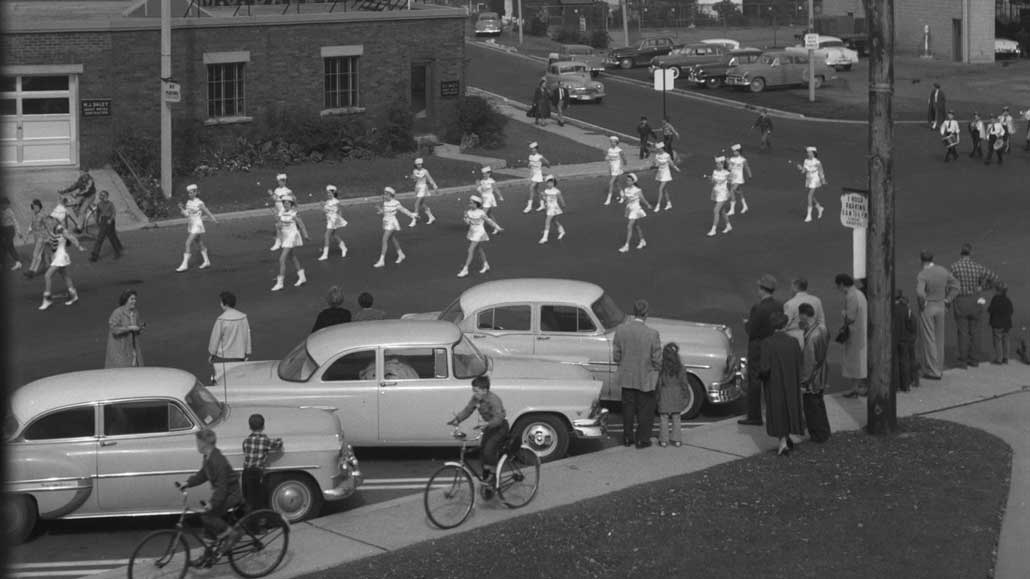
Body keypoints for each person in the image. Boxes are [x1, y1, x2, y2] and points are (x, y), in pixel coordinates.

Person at [181, 429, 243, 550]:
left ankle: (232, 534)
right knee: (208, 528)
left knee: (207, 516)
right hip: (223, 493)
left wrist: (212, 504)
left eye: (197, 442)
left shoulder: (218, 461)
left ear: (204, 443)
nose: (196, 445)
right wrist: (187, 483)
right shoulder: (208, 457)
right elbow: (203, 474)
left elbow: (222, 487)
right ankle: (209, 555)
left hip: (231, 494)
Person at [613, 299, 662, 448]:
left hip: (627, 377)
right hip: (645, 378)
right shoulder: (652, 334)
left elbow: (616, 356)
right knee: (645, 411)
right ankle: (642, 440)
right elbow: (657, 359)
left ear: (634, 312)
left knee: (627, 409)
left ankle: (628, 438)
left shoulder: (621, 330)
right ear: (646, 313)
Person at [447, 375, 507, 483]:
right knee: (482, 451)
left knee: (489, 449)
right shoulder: (476, 399)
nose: (474, 394)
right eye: (473, 391)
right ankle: (486, 478)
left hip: (500, 427)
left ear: (485, 390)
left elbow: (499, 418)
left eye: (476, 391)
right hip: (488, 427)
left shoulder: (494, 400)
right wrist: (457, 419)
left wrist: (488, 423)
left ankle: (494, 475)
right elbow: (468, 410)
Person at [739, 274, 782, 426]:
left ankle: (755, 416)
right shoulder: (778, 305)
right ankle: (774, 413)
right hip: (772, 345)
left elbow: (752, 330)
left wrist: (746, 323)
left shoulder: (758, 308)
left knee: (755, 381)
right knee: (770, 381)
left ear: (763, 289)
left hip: (758, 348)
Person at [949, 243, 1001, 368]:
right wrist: (982, 287)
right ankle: (974, 359)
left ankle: (963, 360)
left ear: (961, 253)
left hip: (961, 300)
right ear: (970, 253)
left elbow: (949, 284)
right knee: (975, 331)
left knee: (962, 332)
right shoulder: (978, 267)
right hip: (975, 300)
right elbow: (995, 278)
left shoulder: (954, 267)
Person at [759, 311, 803, 455]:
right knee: (790, 408)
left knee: (777, 410)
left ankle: (783, 442)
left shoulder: (767, 343)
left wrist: (758, 376)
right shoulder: (793, 342)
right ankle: (787, 436)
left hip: (774, 383)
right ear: (785, 324)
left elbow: (765, 368)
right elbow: (799, 362)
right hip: (791, 382)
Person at [916, 250, 960, 380]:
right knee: (939, 338)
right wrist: (948, 299)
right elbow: (956, 286)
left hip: (929, 306)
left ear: (921, 260)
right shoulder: (942, 270)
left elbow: (920, 293)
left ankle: (932, 370)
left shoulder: (923, 274)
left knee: (929, 339)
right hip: (941, 305)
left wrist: (922, 303)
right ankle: (939, 368)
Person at [798, 304, 831, 443]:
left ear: (804, 315)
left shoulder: (812, 337)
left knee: (811, 407)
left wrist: (804, 381)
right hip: (822, 372)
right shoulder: (822, 328)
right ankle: (824, 431)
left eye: (800, 315)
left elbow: (809, 362)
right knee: (819, 404)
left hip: (813, 378)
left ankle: (817, 434)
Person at [39, 213, 85, 311]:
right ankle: (73, 295)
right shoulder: (50, 230)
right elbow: (51, 246)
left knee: (47, 276)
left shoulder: (59, 228)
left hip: (61, 257)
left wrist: (78, 246)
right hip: (57, 257)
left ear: (54, 220)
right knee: (65, 276)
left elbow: (70, 237)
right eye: (47, 221)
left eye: (50, 220)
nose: (48, 222)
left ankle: (47, 300)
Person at [241, 413, 283, 511]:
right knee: (258, 498)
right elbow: (278, 444)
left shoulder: (246, 441)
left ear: (249, 427)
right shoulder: (265, 441)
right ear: (263, 426)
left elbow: (244, 450)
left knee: (248, 498)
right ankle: (258, 519)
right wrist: (279, 439)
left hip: (246, 472)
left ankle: (248, 518)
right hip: (257, 472)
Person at [837, 273, 869, 398]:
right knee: (858, 360)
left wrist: (843, 314)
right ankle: (857, 386)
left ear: (841, 284)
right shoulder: (859, 293)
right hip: (860, 330)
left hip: (855, 333)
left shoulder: (851, 296)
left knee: (854, 360)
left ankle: (856, 387)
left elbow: (850, 317)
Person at [374, 186, 418, 268]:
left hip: (392, 223)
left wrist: (412, 216)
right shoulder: (385, 202)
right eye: (384, 194)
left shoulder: (396, 203)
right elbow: (384, 212)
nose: (384, 196)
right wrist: (379, 209)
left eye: (386, 194)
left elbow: (404, 210)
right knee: (392, 238)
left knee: (384, 240)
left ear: (390, 195)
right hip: (386, 222)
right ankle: (401, 254)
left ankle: (381, 260)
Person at [176, 184, 217, 272]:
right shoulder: (188, 202)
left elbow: (207, 212)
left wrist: (214, 219)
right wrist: (181, 208)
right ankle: (207, 261)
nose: (189, 194)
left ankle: (184, 264)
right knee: (199, 242)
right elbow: (187, 214)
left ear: (195, 193)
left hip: (197, 225)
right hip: (191, 225)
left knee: (187, 243)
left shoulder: (199, 203)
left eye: (191, 193)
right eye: (188, 193)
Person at [458, 195, 502, 278]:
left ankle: (465, 269)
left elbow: (489, 221)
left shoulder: (481, 213)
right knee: (479, 249)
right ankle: (486, 264)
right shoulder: (468, 212)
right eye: (470, 203)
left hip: (479, 232)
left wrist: (497, 227)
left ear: (476, 204)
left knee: (470, 250)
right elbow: (468, 223)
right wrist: (465, 217)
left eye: (471, 203)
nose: (469, 204)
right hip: (472, 232)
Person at [271, 198, 309, 291]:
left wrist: (305, 235)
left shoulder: (294, 213)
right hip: (285, 236)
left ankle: (280, 283)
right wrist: (275, 216)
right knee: (292, 256)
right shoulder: (281, 212)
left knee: (282, 259)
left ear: (291, 204)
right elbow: (279, 224)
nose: (285, 205)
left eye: (287, 203)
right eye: (284, 203)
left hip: (292, 236)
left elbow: (301, 224)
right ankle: (302, 276)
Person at [655, 342, 689, 448]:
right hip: (677, 393)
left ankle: (664, 440)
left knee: (664, 417)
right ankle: (676, 439)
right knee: (676, 417)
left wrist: (657, 395)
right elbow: (684, 382)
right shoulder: (681, 368)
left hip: (665, 393)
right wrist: (685, 393)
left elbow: (659, 383)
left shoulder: (662, 368)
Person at [209, 291, 252, 369]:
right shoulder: (243, 317)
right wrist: (247, 352)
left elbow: (215, 339)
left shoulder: (221, 319)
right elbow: (247, 336)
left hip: (223, 357)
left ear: (224, 304)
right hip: (239, 356)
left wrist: (212, 354)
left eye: (221, 302)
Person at [105, 289, 145, 368]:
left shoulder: (135, 312)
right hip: (119, 350)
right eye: (132, 299)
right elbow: (114, 329)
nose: (134, 301)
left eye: (135, 299)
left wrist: (139, 328)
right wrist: (129, 328)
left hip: (132, 348)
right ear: (126, 300)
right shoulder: (118, 312)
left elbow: (136, 328)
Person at [783, 277, 826, 349]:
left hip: (795, 339)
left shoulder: (789, 304)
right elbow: (821, 322)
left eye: (792, 287)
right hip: (814, 337)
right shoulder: (816, 300)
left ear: (795, 287)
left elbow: (785, 325)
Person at [618, 173, 651, 253]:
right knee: (636, 227)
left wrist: (647, 205)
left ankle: (626, 246)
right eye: (627, 180)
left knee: (629, 226)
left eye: (629, 181)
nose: (628, 182)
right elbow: (626, 200)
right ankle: (642, 241)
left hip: (636, 210)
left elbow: (642, 198)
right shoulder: (626, 189)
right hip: (630, 209)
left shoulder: (637, 190)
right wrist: (623, 198)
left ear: (633, 182)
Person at [893, 290, 918, 391]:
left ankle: (897, 386)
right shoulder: (906, 309)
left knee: (895, 363)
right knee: (905, 362)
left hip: (894, 339)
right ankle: (906, 386)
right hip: (905, 339)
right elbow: (912, 325)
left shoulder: (890, 309)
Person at [59, 167, 97, 233]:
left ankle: (80, 228)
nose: (81, 173)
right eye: (81, 172)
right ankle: (81, 220)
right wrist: (64, 191)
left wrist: (77, 194)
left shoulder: (90, 180)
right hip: (82, 194)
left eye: (83, 172)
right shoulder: (81, 178)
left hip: (90, 196)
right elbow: (75, 186)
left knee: (82, 210)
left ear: (87, 172)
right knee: (74, 206)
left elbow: (87, 190)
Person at [90, 190, 123, 262]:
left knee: (111, 237)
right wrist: (97, 220)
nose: (100, 196)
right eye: (100, 195)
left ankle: (118, 252)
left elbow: (114, 213)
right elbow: (98, 212)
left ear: (106, 196)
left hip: (109, 221)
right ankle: (95, 255)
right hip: (103, 220)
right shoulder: (99, 204)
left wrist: (111, 219)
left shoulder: (110, 204)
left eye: (102, 195)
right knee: (100, 237)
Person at [318, 185, 348, 261]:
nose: (328, 194)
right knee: (334, 235)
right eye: (327, 193)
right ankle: (344, 247)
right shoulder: (327, 202)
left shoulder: (336, 201)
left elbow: (340, 210)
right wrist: (322, 206)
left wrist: (339, 219)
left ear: (334, 193)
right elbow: (325, 211)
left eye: (330, 193)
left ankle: (325, 255)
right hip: (329, 220)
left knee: (326, 235)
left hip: (333, 220)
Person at [797, 146, 827, 223]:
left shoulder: (817, 162)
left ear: (813, 153)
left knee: (809, 196)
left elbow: (821, 171)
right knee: (811, 196)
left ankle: (809, 215)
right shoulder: (806, 161)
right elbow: (804, 171)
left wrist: (823, 180)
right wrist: (801, 168)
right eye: (807, 152)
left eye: (809, 152)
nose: (807, 153)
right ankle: (819, 207)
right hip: (808, 179)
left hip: (815, 179)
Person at [409, 157, 439, 227]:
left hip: (423, 188)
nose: (419, 165)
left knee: (416, 204)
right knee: (421, 203)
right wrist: (413, 177)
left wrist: (435, 187)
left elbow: (430, 179)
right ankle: (431, 217)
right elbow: (415, 180)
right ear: (415, 165)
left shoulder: (425, 171)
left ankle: (414, 220)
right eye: (418, 164)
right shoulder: (414, 171)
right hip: (417, 188)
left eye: (420, 164)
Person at [25, 199, 51, 278]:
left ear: (40, 207)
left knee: (35, 253)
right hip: (36, 237)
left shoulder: (43, 215)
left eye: (37, 207)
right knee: (39, 255)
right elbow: (31, 225)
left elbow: (48, 226)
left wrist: (49, 237)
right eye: (34, 207)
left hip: (42, 237)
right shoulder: (33, 215)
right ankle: (34, 271)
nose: (36, 208)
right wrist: (27, 234)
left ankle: (30, 270)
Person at [650, 142, 680, 212]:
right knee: (664, 190)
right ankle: (669, 203)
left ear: (662, 148)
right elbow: (655, 163)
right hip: (659, 174)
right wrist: (654, 165)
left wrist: (676, 169)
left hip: (666, 174)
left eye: (658, 149)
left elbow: (671, 164)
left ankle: (658, 205)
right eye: (657, 149)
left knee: (660, 189)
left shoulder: (667, 155)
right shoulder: (657, 155)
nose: (657, 150)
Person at [537, 175, 567, 244]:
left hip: (554, 208)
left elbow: (561, 200)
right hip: (549, 208)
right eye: (548, 182)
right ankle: (562, 231)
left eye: (551, 182)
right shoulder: (546, 191)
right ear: (546, 183)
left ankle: (545, 238)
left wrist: (563, 205)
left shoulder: (557, 191)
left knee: (547, 221)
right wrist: (542, 197)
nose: (550, 184)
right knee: (554, 221)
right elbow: (544, 198)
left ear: (554, 183)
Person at [707, 156, 732, 237]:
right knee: (722, 211)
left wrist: (728, 176)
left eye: (719, 164)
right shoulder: (714, 171)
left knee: (716, 210)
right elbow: (712, 182)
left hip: (723, 194)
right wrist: (711, 180)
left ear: (723, 164)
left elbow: (731, 180)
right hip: (715, 193)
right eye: (717, 164)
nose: (717, 165)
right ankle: (728, 226)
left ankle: (713, 230)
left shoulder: (726, 173)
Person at [989, 284, 1014, 364]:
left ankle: (999, 359)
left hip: (997, 324)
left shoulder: (995, 299)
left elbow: (991, 309)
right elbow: (1011, 311)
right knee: (1006, 340)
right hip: (1007, 324)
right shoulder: (1008, 300)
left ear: (998, 290)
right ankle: (1006, 358)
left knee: (997, 341)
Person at [267, 173, 292, 251]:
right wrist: (271, 194)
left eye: (281, 181)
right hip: (278, 210)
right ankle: (281, 242)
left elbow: (290, 201)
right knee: (279, 227)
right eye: (279, 181)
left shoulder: (288, 191)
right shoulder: (277, 190)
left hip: (284, 211)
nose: (279, 183)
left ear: (284, 182)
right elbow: (275, 199)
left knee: (280, 227)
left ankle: (278, 243)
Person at [523, 142, 550, 214]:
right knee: (537, 190)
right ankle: (543, 204)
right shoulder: (530, 156)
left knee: (531, 188)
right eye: (531, 149)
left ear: (537, 149)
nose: (532, 150)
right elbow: (530, 165)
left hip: (538, 174)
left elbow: (547, 162)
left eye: (534, 149)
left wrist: (548, 166)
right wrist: (529, 165)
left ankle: (529, 206)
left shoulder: (540, 156)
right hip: (532, 174)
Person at [726, 144, 752, 216]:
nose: (734, 153)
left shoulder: (743, 160)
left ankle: (732, 209)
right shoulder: (731, 159)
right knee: (739, 192)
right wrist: (728, 163)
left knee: (732, 191)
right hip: (733, 178)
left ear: (739, 151)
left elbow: (747, 167)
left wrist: (750, 175)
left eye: (735, 151)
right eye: (733, 151)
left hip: (739, 179)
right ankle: (745, 206)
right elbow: (729, 169)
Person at [602, 136, 627, 206]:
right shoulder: (609, 150)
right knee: (617, 183)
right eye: (611, 142)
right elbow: (608, 157)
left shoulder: (619, 150)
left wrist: (625, 163)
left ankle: (608, 199)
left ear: (617, 143)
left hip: (617, 168)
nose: (612, 143)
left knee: (611, 183)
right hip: (611, 168)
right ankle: (623, 196)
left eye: (614, 142)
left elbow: (624, 158)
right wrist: (606, 158)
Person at [0, 197, 22, 271]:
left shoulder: (9, 211)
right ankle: (16, 262)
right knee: (7, 247)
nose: (7, 206)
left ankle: (18, 262)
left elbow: (15, 222)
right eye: (5, 204)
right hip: (2, 230)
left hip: (10, 230)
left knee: (7, 246)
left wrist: (19, 232)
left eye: (7, 204)